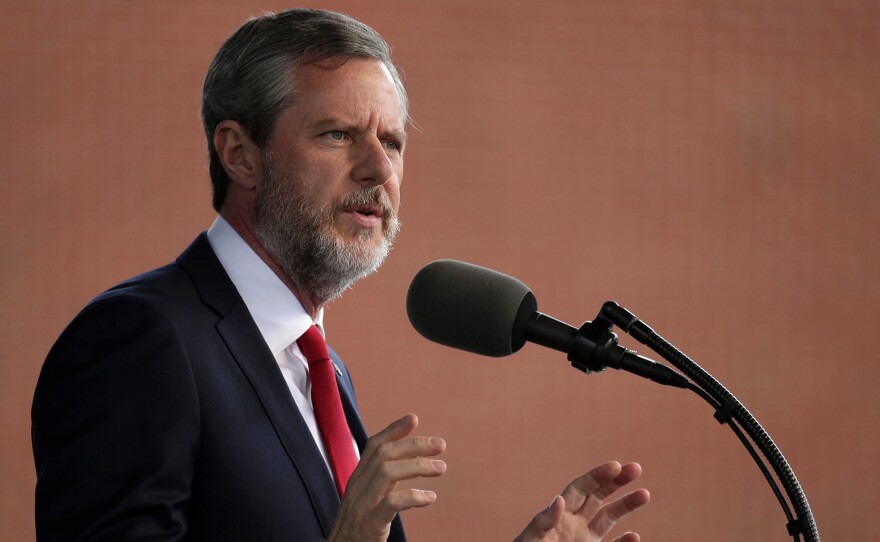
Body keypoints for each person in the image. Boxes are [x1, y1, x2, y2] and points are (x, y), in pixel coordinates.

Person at [31, 8, 649, 542]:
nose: (378, 168)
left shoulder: (316, 367)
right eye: (337, 135)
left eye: (394, 142)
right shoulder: (140, 339)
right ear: (240, 154)